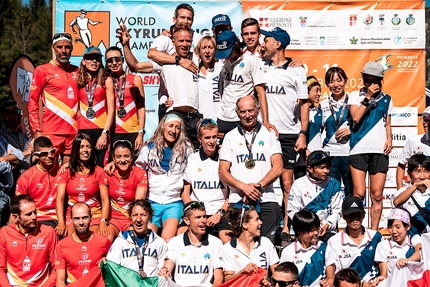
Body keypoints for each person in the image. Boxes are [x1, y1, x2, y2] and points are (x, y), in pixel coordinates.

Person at [259, 27, 308, 246]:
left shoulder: (297, 70)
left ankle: (286, 228)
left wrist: (303, 133)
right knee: (260, 179)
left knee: (287, 184)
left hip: (288, 133)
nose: (263, 42)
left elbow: (304, 103)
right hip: (264, 132)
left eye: (266, 39)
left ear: (278, 44)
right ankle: (258, 226)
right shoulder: (260, 66)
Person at [219, 95, 283, 243]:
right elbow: (222, 171)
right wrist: (244, 187)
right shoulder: (230, 137)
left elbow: (278, 167)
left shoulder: (269, 135)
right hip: (238, 200)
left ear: (258, 110)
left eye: (250, 110)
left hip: (266, 199)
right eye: (243, 112)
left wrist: (258, 186)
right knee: (241, 248)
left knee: (266, 247)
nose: (247, 115)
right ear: (237, 113)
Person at [349, 61, 393, 230]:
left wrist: (389, 139)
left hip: (379, 151)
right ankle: (356, 230)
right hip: (358, 149)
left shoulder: (387, 98)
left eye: (373, 80)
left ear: (380, 80)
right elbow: (355, 118)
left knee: (377, 194)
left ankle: (373, 233)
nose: (369, 84)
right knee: (359, 194)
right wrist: (367, 97)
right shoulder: (355, 95)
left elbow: (387, 123)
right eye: (366, 80)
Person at [135, 113, 193, 242]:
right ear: (163, 127)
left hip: (173, 201)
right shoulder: (149, 147)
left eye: (177, 127)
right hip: (152, 200)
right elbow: (138, 169)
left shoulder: (187, 148)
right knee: (149, 237)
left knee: (167, 238)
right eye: (170, 126)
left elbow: (192, 172)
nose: (173, 131)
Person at [29, 32, 79, 164]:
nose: (64, 51)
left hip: (73, 131)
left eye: (67, 47)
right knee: (50, 171)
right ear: (53, 48)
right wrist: (37, 131)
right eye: (59, 47)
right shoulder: (42, 70)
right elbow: (33, 102)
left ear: (71, 48)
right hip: (52, 130)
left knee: (68, 173)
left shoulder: (77, 70)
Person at [179, 119, 231, 243]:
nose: (212, 141)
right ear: (199, 139)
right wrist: (196, 214)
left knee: (226, 240)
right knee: (180, 236)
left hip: (219, 212)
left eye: (214, 137)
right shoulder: (193, 159)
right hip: (197, 210)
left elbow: (231, 195)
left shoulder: (225, 158)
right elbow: (185, 193)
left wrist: (219, 214)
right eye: (207, 138)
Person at [215, 30, 276, 136]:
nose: (226, 56)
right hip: (223, 118)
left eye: (228, 52)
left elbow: (261, 92)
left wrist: (266, 120)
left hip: (241, 118)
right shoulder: (225, 61)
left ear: (236, 44)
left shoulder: (251, 60)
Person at [151, 24, 202, 148]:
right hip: (176, 116)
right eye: (181, 41)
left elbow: (212, 46)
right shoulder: (165, 62)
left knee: (195, 157)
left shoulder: (197, 58)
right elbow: (139, 63)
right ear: (173, 42)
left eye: (188, 41)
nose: (185, 44)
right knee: (173, 154)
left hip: (196, 118)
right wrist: (126, 45)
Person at [56, 133, 110, 238]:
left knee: (95, 239)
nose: (85, 150)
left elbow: (105, 200)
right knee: (68, 239)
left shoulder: (99, 171)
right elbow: (60, 199)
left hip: (94, 216)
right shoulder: (66, 171)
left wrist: (103, 221)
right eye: (81, 147)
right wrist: (61, 222)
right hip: (72, 216)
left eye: (88, 147)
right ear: (76, 149)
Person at [159, 201, 224, 286]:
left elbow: (218, 277)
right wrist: (165, 269)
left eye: (204, 216)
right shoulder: (175, 242)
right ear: (187, 220)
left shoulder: (216, 243)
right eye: (198, 217)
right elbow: (169, 264)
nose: (203, 220)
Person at [0, 195, 57, 287]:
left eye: (35, 212)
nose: (34, 217)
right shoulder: (4, 233)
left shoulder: (48, 232)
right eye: (28, 214)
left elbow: (57, 267)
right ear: (16, 217)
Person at [288, 150, 344, 241]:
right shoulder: (299, 184)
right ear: (310, 168)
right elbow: (292, 210)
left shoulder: (334, 184)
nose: (326, 171)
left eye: (327, 167)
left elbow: (337, 211)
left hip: (328, 232)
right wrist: (310, 225)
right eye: (322, 168)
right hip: (305, 231)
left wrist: (327, 224)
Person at [325, 196, 382, 285]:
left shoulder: (376, 237)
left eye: (358, 214)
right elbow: (331, 277)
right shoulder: (334, 241)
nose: (355, 219)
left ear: (363, 215)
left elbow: (384, 269)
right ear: (343, 216)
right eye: (351, 215)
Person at [106, 199, 168, 277]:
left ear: (149, 217)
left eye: (143, 215)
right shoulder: (120, 241)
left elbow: (163, 275)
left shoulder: (159, 242)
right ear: (130, 217)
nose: (138, 219)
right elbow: (112, 270)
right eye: (135, 215)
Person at [55, 203, 111, 286]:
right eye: (76, 219)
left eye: (85, 218)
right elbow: (60, 281)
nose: (81, 222)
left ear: (91, 218)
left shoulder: (104, 242)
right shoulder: (62, 245)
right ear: (71, 220)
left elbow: (112, 274)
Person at [77, 46, 115, 167]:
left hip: (100, 130)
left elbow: (112, 109)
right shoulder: (78, 79)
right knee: (84, 168)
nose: (94, 61)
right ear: (83, 61)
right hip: (82, 130)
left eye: (97, 59)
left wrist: (105, 134)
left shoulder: (106, 79)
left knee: (100, 168)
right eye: (90, 58)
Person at [222, 206, 279, 284]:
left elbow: (277, 273)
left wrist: (269, 282)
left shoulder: (266, 243)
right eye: (257, 219)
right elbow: (227, 280)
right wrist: (242, 272)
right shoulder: (228, 248)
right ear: (245, 225)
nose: (261, 222)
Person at [319, 67, 353, 198]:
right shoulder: (323, 105)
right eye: (332, 81)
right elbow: (317, 131)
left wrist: (350, 132)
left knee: (352, 193)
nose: (336, 85)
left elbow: (362, 128)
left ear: (346, 81)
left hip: (350, 153)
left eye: (339, 80)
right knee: (332, 193)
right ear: (327, 84)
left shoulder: (353, 103)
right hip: (330, 154)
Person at [104, 46, 146, 152]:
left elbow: (141, 108)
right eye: (110, 61)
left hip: (132, 131)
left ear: (122, 60)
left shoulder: (136, 79)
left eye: (117, 59)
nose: (114, 63)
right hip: (112, 131)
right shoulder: (104, 81)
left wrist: (140, 133)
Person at [107, 139, 148, 241]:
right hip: (113, 220)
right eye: (118, 156)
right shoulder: (108, 172)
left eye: (126, 156)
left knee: (130, 242)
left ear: (132, 157)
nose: (122, 160)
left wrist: (132, 222)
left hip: (130, 219)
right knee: (105, 240)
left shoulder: (140, 173)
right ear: (113, 158)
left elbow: (139, 203)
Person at [15, 136, 60, 227]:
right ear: (36, 155)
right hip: (37, 218)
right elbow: (18, 205)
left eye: (52, 152)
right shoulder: (26, 176)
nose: (50, 156)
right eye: (44, 154)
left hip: (61, 217)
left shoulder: (63, 171)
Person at [371, 208, 421, 286]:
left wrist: (407, 260)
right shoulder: (383, 245)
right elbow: (384, 274)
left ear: (408, 227)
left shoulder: (415, 239)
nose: (394, 231)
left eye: (397, 227)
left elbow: (419, 253)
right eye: (390, 227)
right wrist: (382, 278)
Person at [280, 209, 328, 287]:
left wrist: (327, 283)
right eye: (312, 230)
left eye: (317, 228)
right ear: (300, 232)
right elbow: (282, 279)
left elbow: (331, 277)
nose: (316, 233)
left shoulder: (324, 247)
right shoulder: (288, 252)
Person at [393, 153, 430, 236]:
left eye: (426, 172)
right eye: (417, 172)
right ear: (409, 174)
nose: (422, 177)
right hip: (412, 241)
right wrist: (415, 185)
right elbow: (397, 202)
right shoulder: (404, 191)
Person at [396, 106, 430, 189]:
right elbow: (401, 165)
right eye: (424, 119)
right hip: (416, 192)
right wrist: (400, 190)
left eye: (428, 120)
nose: (425, 123)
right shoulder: (413, 141)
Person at [0, 100, 33, 181]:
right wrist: (25, 153)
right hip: (12, 181)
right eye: (17, 111)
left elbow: (29, 157)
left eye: (21, 111)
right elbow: (6, 161)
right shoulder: (2, 136)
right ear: (6, 116)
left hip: (28, 179)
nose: (21, 114)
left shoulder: (23, 135)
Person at [195, 36, 223, 121]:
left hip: (218, 120)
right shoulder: (194, 71)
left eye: (210, 48)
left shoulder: (221, 68)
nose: (207, 51)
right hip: (200, 121)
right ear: (199, 51)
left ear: (215, 50)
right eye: (204, 48)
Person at [0, 135, 23, 226]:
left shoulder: (1, 138)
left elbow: (19, 154)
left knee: (6, 232)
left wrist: (4, 159)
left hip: (7, 193)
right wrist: (9, 165)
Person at [307, 76, 323, 153]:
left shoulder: (320, 112)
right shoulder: (296, 111)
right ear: (307, 92)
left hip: (317, 156)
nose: (319, 94)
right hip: (300, 155)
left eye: (320, 90)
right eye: (316, 91)